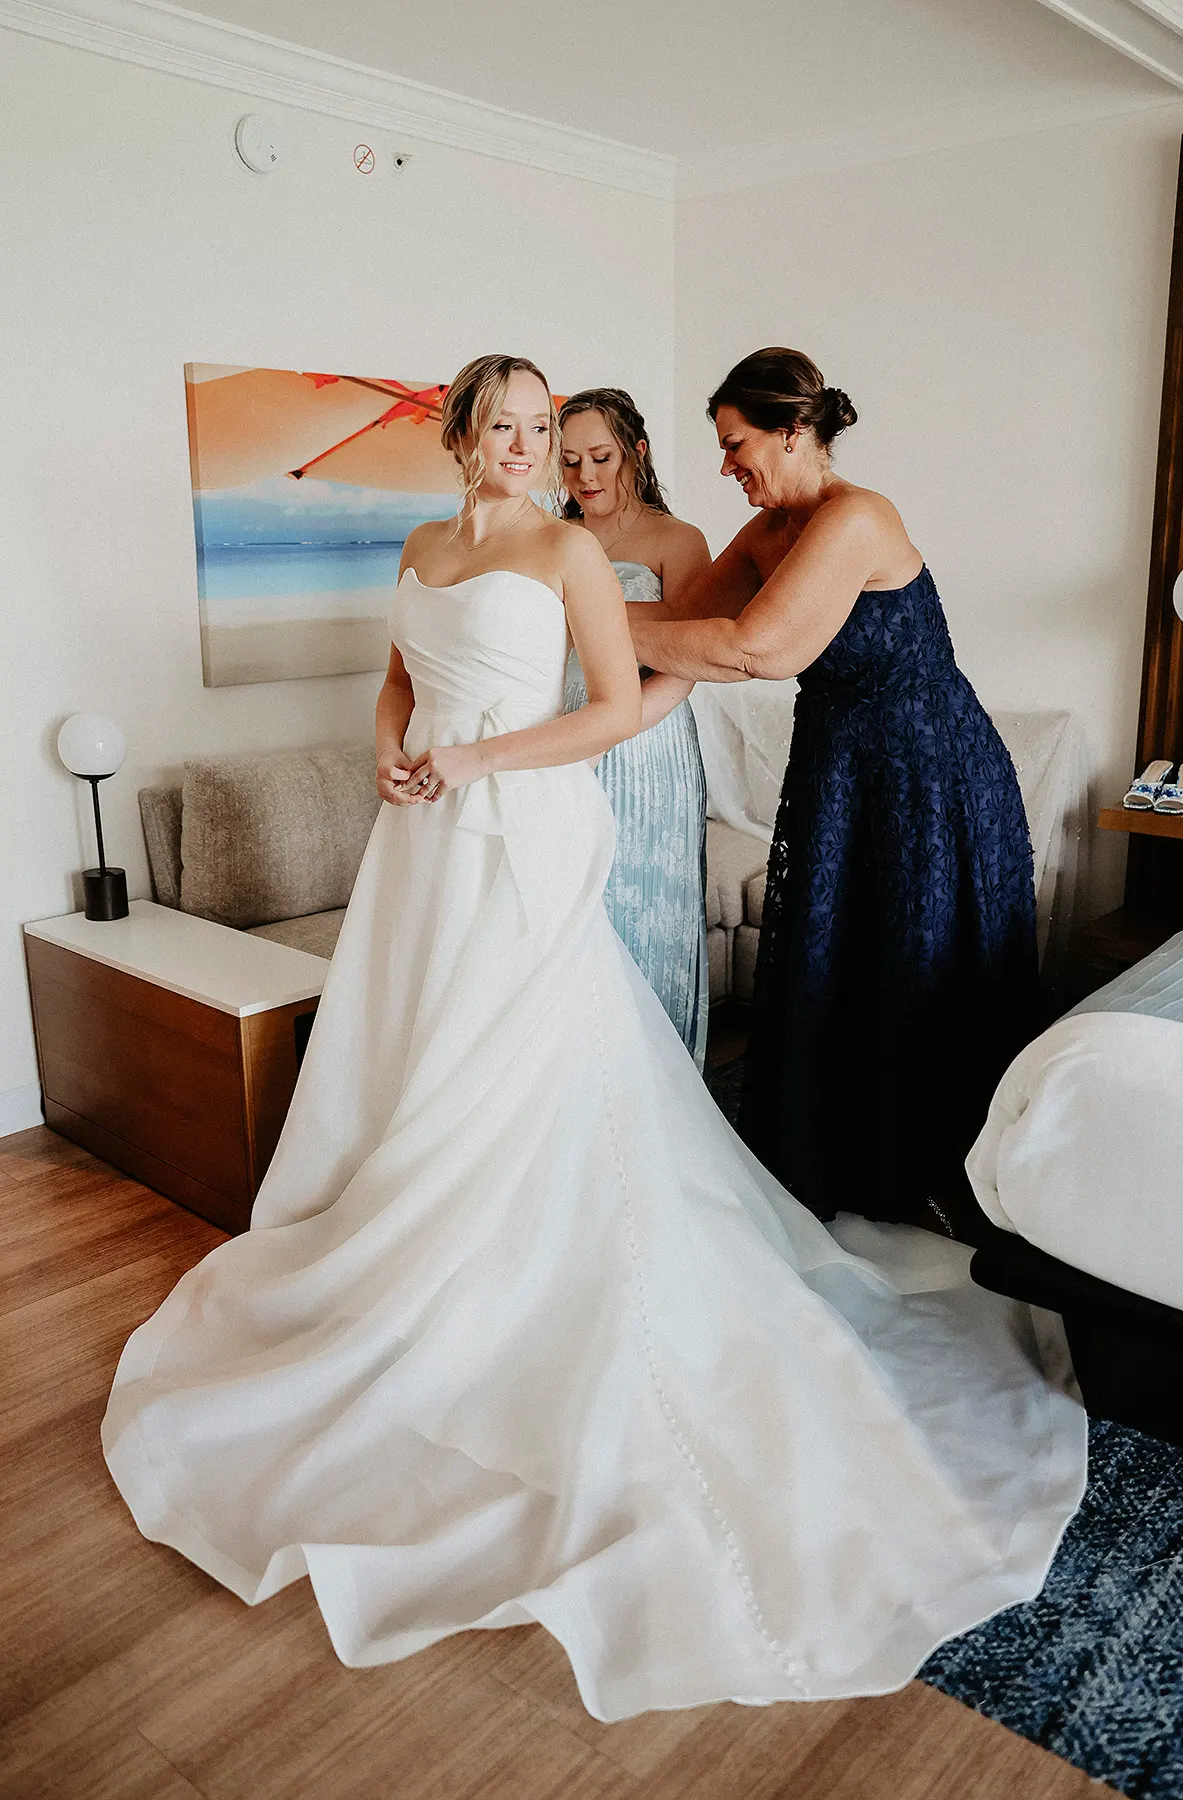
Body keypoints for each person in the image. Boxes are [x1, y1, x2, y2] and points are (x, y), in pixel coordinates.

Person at [102, 353, 1083, 1725]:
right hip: (515, 819)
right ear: (464, 434)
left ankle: (912, 1178)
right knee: (748, 1003)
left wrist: (571, 648)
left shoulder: (824, 521)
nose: (539, 451)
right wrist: (433, 725)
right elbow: (565, 650)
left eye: (735, 440)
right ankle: (521, 1231)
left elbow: (735, 653)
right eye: (512, 429)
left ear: (794, 428)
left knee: (891, 984)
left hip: (895, 766)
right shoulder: (488, 542)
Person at [631, 347, 1041, 1239]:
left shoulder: (857, 517)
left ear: (791, 431)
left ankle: (932, 1174)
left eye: (736, 444)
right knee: (838, 960)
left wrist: (586, 626)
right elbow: (680, 619)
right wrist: (558, 603)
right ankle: (846, 1159)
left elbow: (755, 649)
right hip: (840, 775)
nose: (727, 466)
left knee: (913, 966)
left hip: (929, 777)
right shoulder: (767, 532)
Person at [560, 388, 711, 1063]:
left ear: (636, 452)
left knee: (643, 912)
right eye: (569, 462)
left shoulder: (677, 541)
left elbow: (687, 664)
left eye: (601, 457)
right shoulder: (555, 539)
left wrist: (608, 733)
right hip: (564, 740)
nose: (585, 476)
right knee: (576, 914)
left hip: (650, 744)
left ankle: (658, 1079)